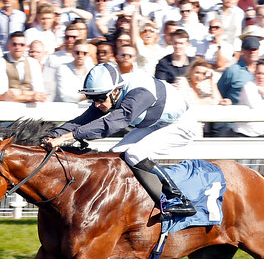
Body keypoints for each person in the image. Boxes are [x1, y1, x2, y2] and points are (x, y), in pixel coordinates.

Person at [44, 63, 199, 218]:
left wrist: (67, 137)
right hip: (154, 123)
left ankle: (178, 199)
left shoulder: (140, 93)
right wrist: (52, 134)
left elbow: (112, 124)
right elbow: (83, 120)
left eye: (100, 99)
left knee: (134, 154)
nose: (97, 104)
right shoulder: (109, 92)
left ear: (116, 91)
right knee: (114, 156)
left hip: (181, 124)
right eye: (92, 99)